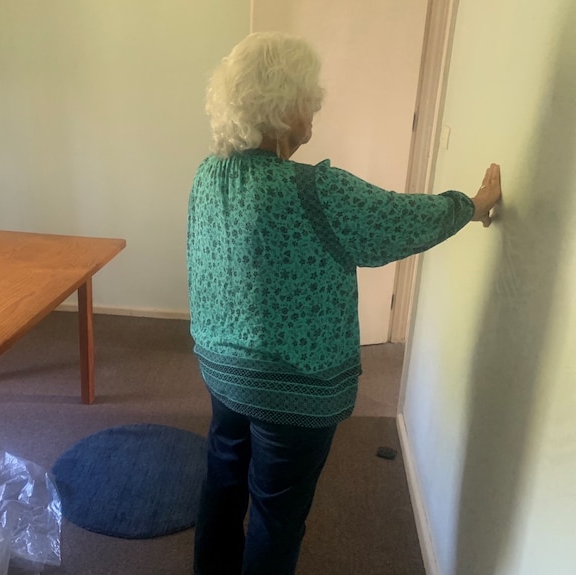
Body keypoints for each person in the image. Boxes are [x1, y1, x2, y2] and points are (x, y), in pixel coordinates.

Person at [187, 32, 501, 575]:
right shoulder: (314, 190)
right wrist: (471, 205)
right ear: (282, 108)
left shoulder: (208, 175)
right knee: (276, 512)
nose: (314, 113)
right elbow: (400, 221)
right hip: (294, 389)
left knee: (224, 478)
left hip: (222, 369)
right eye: (309, 101)